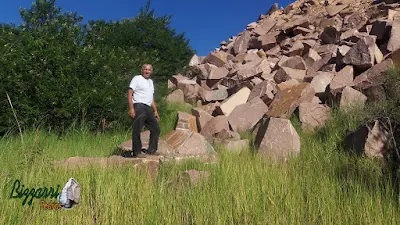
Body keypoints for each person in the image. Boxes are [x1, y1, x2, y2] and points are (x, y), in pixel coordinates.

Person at [127, 64, 160, 158]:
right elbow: (130, 93)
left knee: (156, 128)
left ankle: (152, 150)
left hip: (148, 107)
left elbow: (151, 97)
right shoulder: (137, 78)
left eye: (149, 70)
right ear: (142, 70)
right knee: (137, 129)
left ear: (151, 71)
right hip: (138, 106)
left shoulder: (150, 82)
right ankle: (137, 152)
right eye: (145, 69)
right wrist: (131, 108)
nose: (147, 71)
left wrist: (155, 111)